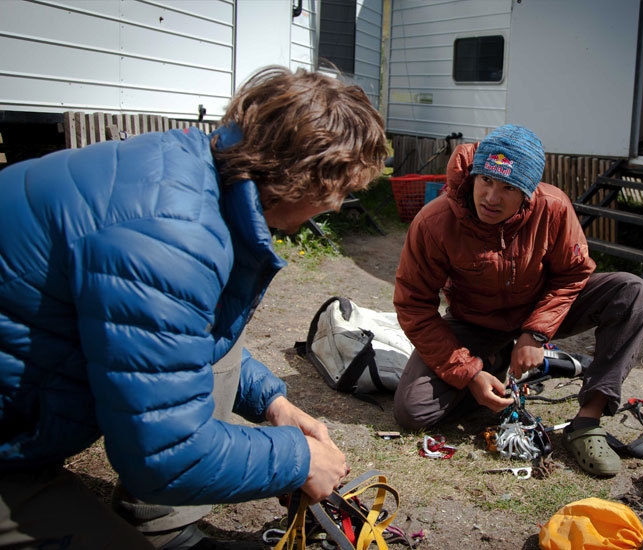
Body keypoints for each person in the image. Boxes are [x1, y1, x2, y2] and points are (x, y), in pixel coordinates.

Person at [0, 66, 387, 549]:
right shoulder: (170, 237)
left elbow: (175, 335)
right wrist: (300, 460)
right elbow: (164, 456)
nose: (334, 207)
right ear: (303, 178)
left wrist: (273, 403)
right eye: (339, 191)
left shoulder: (196, 170)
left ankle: (161, 529)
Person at [392, 124, 643, 477]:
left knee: (632, 291)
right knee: (413, 413)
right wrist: (470, 373)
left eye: (509, 188)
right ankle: (493, 365)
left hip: (538, 307)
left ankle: (588, 421)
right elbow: (414, 305)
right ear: (474, 176)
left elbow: (574, 274)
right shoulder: (435, 222)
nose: (491, 198)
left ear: (528, 193)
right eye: (486, 181)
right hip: (475, 321)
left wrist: (535, 333)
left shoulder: (554, 208)